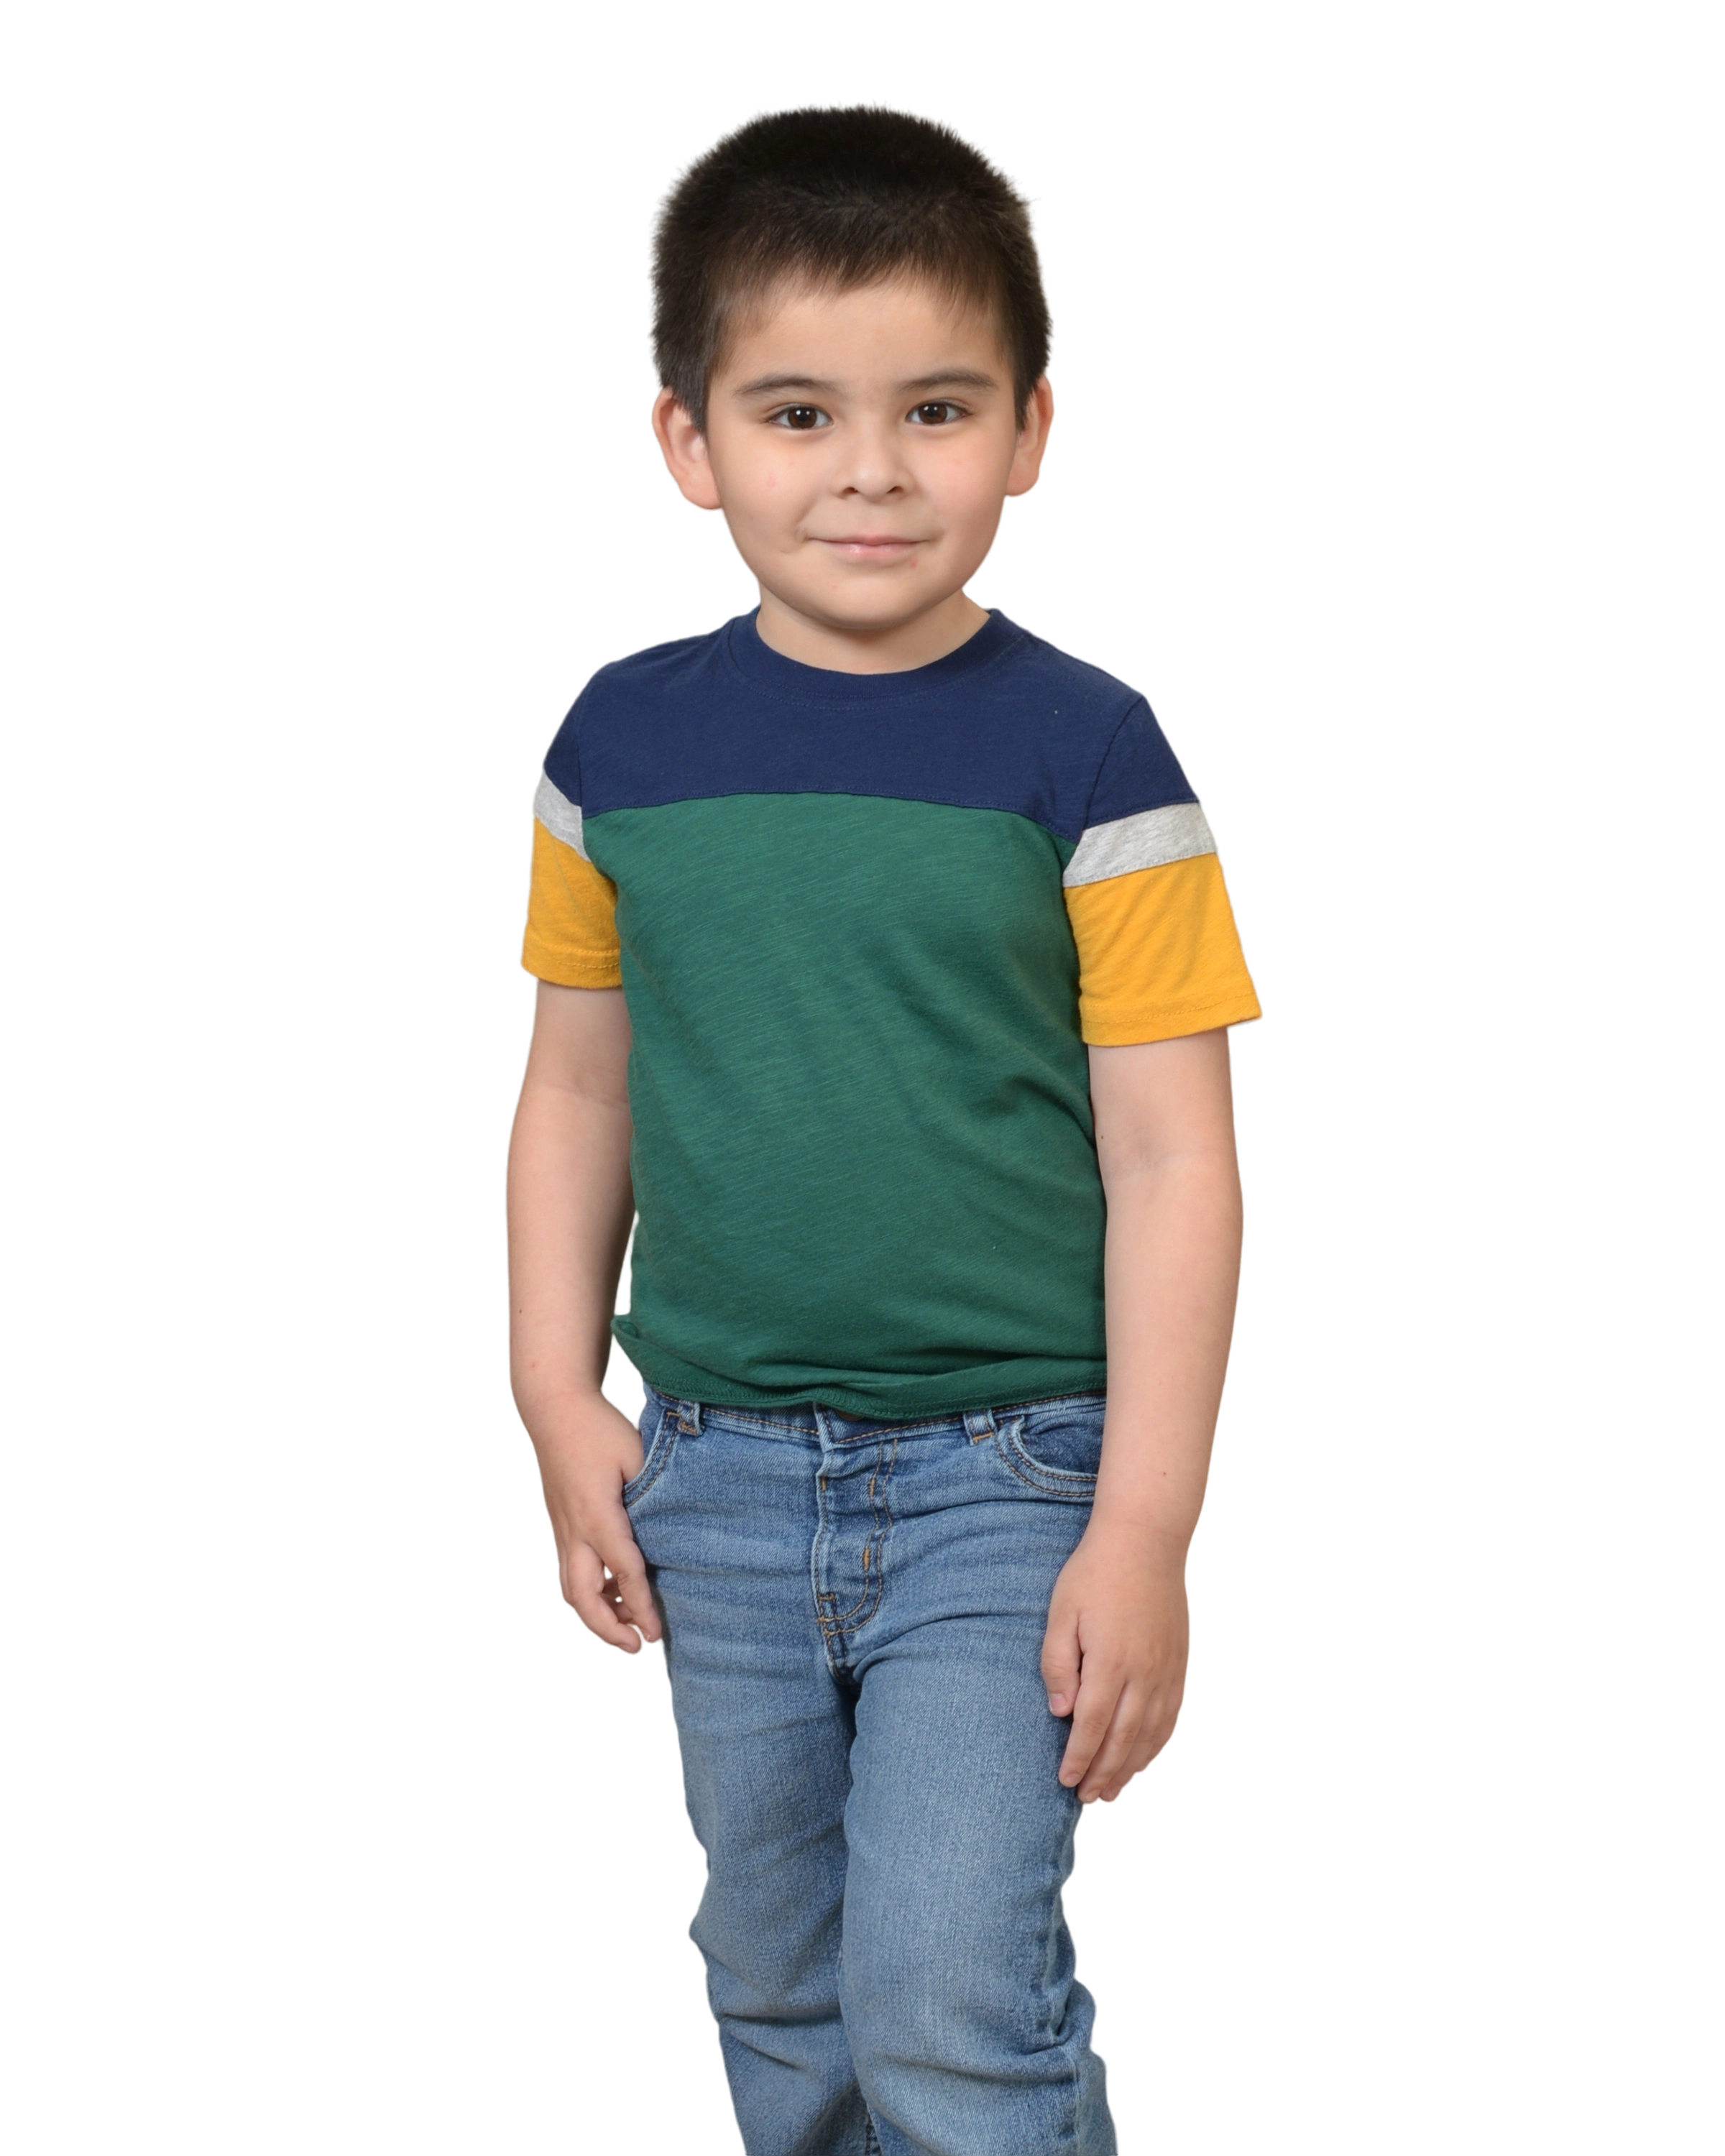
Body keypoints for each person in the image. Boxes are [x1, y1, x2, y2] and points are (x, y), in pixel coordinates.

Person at [504, 98, 1263, 2156]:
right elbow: (576, 1091)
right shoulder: (616, 747)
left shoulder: (1093, 752)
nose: (870, 470)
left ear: (1031, 432)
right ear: (688, 440)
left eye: (936, 408)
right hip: (718, 1476)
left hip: (1013, 1485)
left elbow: (1176, 1160)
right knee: (782, 1990)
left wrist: (1146, 1528)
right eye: (797, 413)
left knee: (949, 2006)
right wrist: (560, 1397)